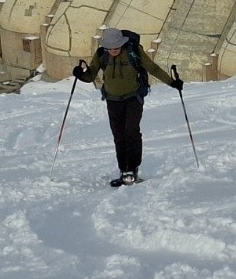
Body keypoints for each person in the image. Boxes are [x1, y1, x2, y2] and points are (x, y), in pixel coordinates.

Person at [73, 27, 182, 186]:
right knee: (118, 135)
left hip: (133, 97)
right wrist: (79, 74)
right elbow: (90, 76)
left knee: (131, 131)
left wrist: (172, 82)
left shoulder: (134, 51)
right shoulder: (101, 54)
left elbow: (153, 68)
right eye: (110, 48)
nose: (114, 51)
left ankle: (132, 169)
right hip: (112, 99)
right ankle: (123, 170)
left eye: (116, 47)